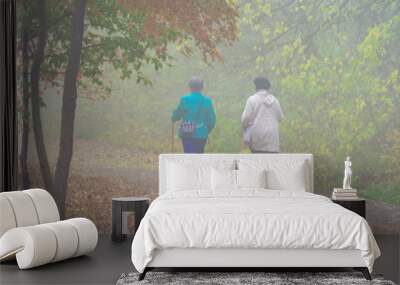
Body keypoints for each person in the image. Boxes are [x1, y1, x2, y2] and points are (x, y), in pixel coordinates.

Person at [171, 76, 216, 153]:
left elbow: (177, 115)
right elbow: (212, 120)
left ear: (190, 87)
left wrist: (173, 117)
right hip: (202, 134)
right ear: (202, 87)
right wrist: (206, 130)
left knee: (189, 156)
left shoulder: (185, 99)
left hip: (187, 133)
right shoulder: (207, 101)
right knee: (199, 156)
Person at [241, 76, 284, 153]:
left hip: (257, 137)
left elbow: (245, 119)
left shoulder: (252, 99)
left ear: (256, 87)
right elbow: (280, 117)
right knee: (272, 163)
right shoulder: (275, 100)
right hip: (272, 138)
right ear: (268, 87)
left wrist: (245, 128)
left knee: (258, 162)